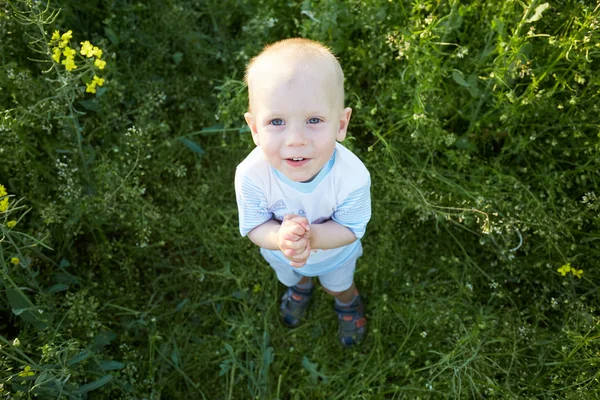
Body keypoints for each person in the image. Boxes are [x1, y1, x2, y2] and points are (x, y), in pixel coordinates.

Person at [234, 38, 371, 346]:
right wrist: (279, 239)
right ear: (255, 128)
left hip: (335, 255)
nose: (296, 139)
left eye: (313, 120)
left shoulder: (352, 177)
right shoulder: (251, 175)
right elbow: (255, 225)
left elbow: (351, 227)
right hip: (281, 254)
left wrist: (313, 239)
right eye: (277, 121)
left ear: (341, 124)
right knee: (294, 274)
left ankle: (347, 302)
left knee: (338, 285)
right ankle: (301, 285)